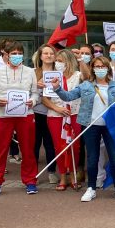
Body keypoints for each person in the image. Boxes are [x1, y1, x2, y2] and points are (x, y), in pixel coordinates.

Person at [52, 56, 115, 202]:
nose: (100, 69)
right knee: (92, 158)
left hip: (111, 126)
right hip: (90, 125)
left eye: (103, 66)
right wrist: (57, 88)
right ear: (92, 68)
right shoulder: (86, 85)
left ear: (108, 68)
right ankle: (91, 188)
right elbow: (68, 97)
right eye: (97, 66)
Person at [0, 41, 40, 196]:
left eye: (20, 53)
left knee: (28, 149)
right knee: (0, 150)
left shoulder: (30, 72)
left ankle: (30, 181)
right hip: (3, 115)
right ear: (6, 55)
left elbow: (35, 93)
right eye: (13, 53)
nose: (17, 56)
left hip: (25, 115)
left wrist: (33, 101)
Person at [44, 49, 82, 190]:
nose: (58, 63)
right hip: (56, 116)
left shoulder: (78, 76)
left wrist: (81, 60)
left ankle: (73, 175)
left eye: (61, 61)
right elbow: (44, 99)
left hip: (74, 115)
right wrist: (57, 108)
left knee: (75, 146)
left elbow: (88, 76)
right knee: (59, 147)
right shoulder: (51, 76)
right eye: (57, 61)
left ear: (69, 61)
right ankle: (63, 177)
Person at [32, 44, 59, 184]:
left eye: (51, 53)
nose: (48, 56)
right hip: (36, 113)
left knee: (51, 144)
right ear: (40, 56)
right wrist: (36, 84)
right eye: (45, 53)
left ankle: (51, 171)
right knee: (34, 144)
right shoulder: (33, 72)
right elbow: (27, 90)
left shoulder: (59, 71)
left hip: (53, 112)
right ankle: (33, 173)